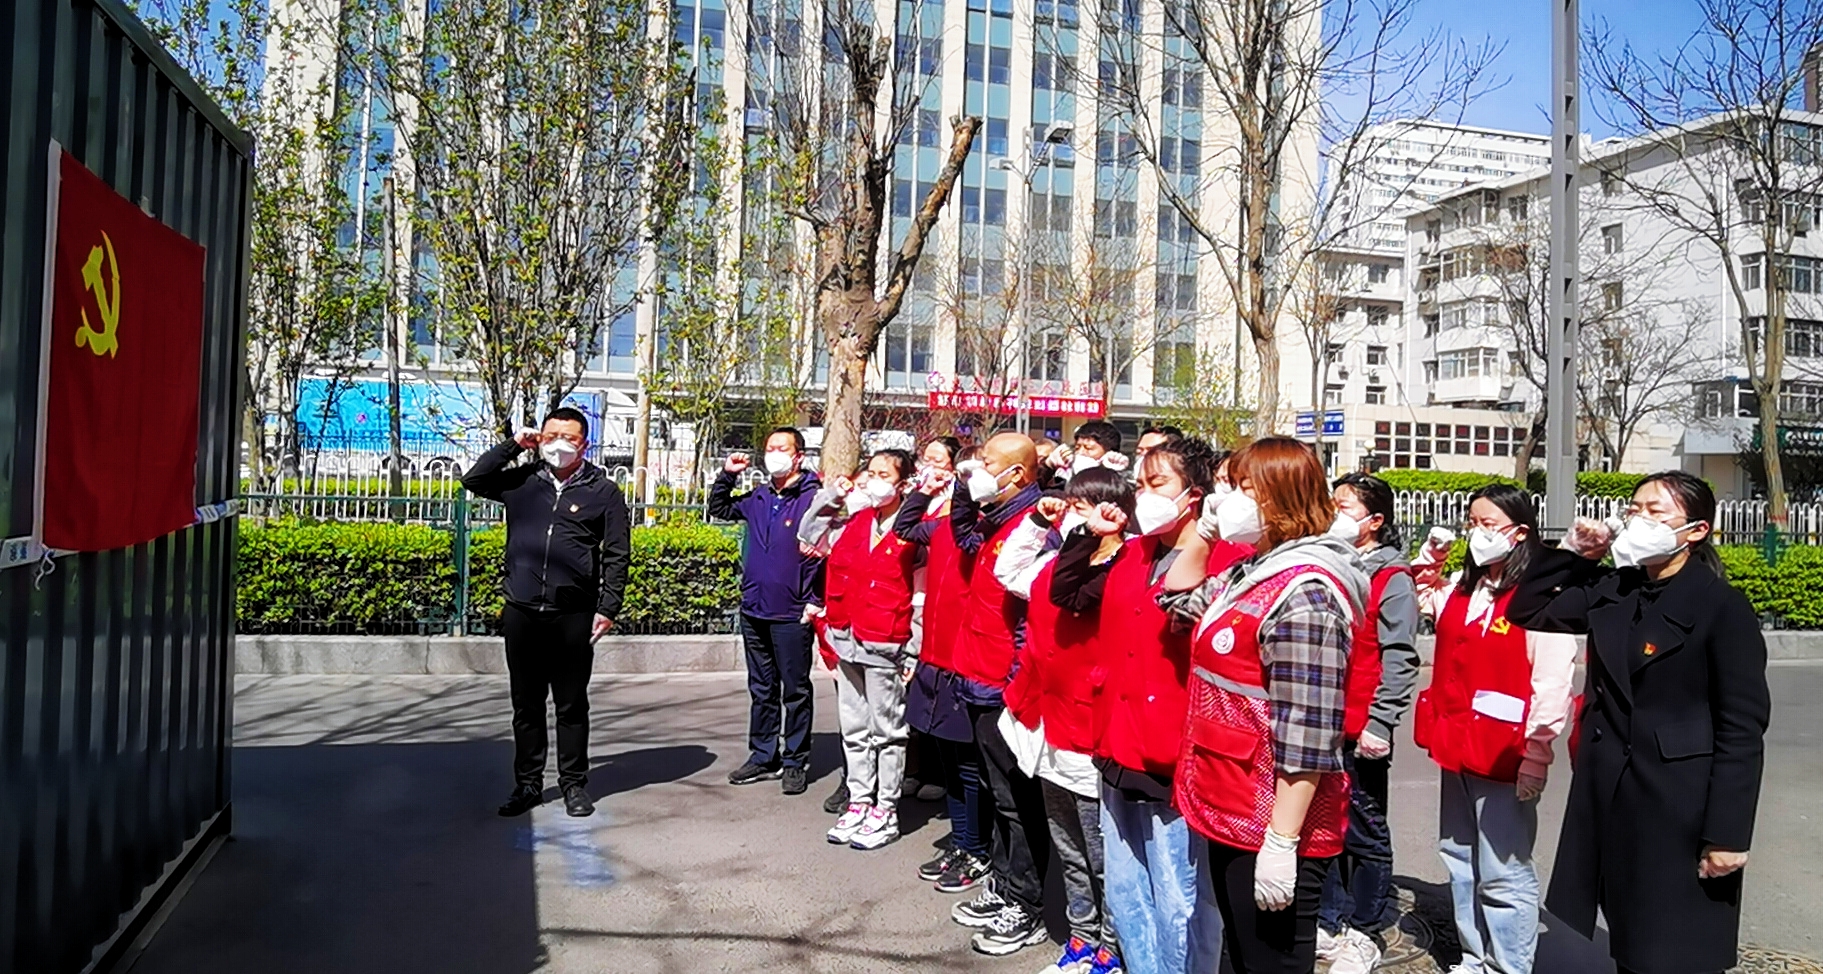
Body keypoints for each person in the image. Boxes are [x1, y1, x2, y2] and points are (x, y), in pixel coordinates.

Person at [1510, 472, 1771, 974]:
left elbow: (1741, 730)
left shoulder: (1721, 606)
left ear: (1696, 530)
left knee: (1676, 949)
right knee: (1630, 938)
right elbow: (1530, 609)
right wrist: (1576, 554)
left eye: (1656, 512)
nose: (1639, 520)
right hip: (1611, 793)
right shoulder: (1615, 587)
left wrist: (1728, 835)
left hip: (1680, 804)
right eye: (1635, 509)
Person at [1159, 436, 1367, 974]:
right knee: (1241, 954)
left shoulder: (1307, 594)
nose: (1230, 501)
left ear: (1283, 498)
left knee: (1271, 962)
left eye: (1244, 489)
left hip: (1272, 817)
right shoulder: (1252, 571)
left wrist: (1281, 841)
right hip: (1230, 798)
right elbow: (1175, 600)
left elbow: (1308, 732)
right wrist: (1204, 534)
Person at [1054, 437, 1240, 974]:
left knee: (1180, 896)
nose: (1143, 496)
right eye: (1139, 485)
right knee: (1126, 888)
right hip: (1116, 738)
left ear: (1194, 494)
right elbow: (1068, 595)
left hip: (1178, 751)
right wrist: (1087, 535)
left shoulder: (1226, 562)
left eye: (1157, 484)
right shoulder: (1132, 553)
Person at [1410, 484, 1576, 974]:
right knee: (1459, 856)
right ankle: (1474, 955)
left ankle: (1508, 965)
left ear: (1519, 533)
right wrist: (1432, 556)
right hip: (1456, 744)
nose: (1477, 533)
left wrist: (1537, 755)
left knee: (1503, 868)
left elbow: (1552, 683)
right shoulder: (1466, 590)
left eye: (1488, 524)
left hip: (1506, 753)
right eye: (1472, 523)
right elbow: (1422, 595)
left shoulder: (1541, 600)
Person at [993, 468, 1136, 974]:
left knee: (1101, 853)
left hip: (1089, 726)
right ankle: (1081, 935)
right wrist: (1038, 521)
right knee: (1068, 845)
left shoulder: (1126, 565)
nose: (1073, 514)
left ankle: (1111, 947)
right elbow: (1008, 572)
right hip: (1044, 719)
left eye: (1083, 506)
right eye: (1070, 504)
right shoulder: (1059, 558)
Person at [462, 407, 632, 819]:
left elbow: (617, 553)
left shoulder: (603, 492)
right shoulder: (522, 482)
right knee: (527, 704)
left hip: (573, 614)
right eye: (551, 435)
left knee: (571, 705)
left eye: (569, 438)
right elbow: (474, 480)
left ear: (584, 445)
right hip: (522, 611)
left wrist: (608, 607)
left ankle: (574, 783)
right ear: (539, 438)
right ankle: (528, 784)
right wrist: (512, 446)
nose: (559, 444)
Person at [935, 432, 1051, 957]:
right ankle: (1005, 885)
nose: (977, 470)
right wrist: (965, 485)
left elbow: (1032, 620)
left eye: (987, 463)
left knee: (1016, 800)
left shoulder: (1036, 526)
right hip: (977, 674)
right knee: (998, 794)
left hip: (1004, 684)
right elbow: (960, 530)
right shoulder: (994, 518)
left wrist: (1015, 685)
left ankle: (1026, 903)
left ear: (1019, 474)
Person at [1316, 474, 1421, 974]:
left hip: (1361, 725)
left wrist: (1382, 721)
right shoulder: (1330, 562)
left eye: (1345, 507)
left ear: (1375, 520)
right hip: (1323, 720)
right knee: (1324, 824)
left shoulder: (1392, 578)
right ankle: (1330, 917)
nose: (1334, 514)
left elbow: (1400, 656)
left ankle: (1365, 927)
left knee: (1365, 829)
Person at [797, 449, 923, 851]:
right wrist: (832, 495)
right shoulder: (855, 519)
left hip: (887, 641)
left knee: (887, 730)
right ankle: (859, 800)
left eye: (885, 474)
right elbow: (809, 536)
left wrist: (914, 650)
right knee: (854, 729)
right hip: (846, 637)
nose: (874, 480)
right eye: (871, 471)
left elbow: (921, 594)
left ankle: (886, 809)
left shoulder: (915, 529)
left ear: (904, 484)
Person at [896, 438, 995, 895]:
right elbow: (905, 526)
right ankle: (961, 841)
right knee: (951, 763)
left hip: (965, 661)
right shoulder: (939, 527)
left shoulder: (986, 533)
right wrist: (924, 489)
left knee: (970, 768)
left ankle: (977, 848)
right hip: (933, 657)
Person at [709, 427, 825, 796]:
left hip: (792, 610)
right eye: (770, 447)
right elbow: (719, 508)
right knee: (761, 688)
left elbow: (830, 551)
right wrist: (727, 475)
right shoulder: (759, 496)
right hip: (754, 608)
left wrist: (815, 600)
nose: (774, 453)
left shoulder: (814, 498)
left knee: (795, 689)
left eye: (782, 448)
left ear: (798, 456)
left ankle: (795, 760)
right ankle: (763, 755)